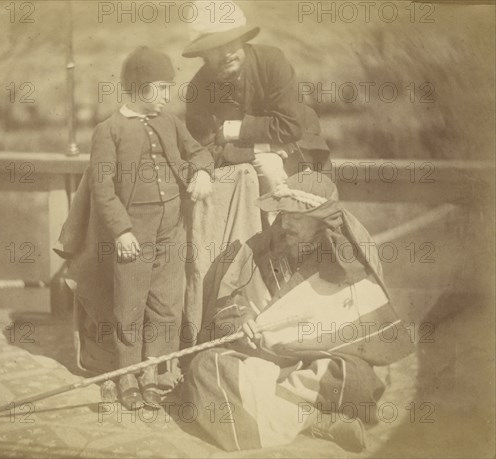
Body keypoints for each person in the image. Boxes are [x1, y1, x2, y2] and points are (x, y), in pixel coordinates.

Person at [182, 171, 415, 452]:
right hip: (259, 360)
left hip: (317, 362)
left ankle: (279, 413)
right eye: (283, 213)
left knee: (355, 377)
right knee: (205, 367)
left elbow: (360, 330)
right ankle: (317, 420)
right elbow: (227, 301)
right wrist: (241, 321)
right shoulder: (260, 247)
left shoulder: (348, 262)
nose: (286, 222)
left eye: (297, 216)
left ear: (319, 221)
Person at [70, 47, 214, 410]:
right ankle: (126, 374)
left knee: (167, 302)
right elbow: (102, 189)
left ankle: (152, 372)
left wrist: (202, 171)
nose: (168, 95)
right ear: (141, 87)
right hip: (134, 232)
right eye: (163, 88)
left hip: (172, 226)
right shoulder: (109, 130)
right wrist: (121, 231)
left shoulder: (170, 122)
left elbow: (199, 151)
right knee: (129, 305)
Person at [182, 1, 331, 200]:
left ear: (242, 39)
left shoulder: (272, 61)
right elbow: (202, 150)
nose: (226, 53)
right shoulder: (198, 88)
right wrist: (262, 149)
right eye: (215, 47)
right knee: (262, 169)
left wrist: (231, 130)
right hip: (244, 161)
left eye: (231, 42)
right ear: (202, 53)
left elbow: (290, 127)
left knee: (311, 212)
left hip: (299, 150)